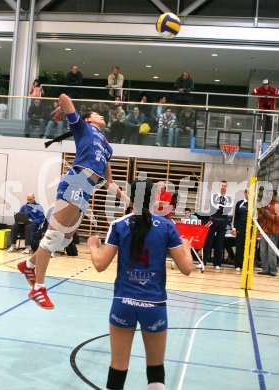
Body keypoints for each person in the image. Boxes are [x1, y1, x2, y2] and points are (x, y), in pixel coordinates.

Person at [17, 93, 130, 309]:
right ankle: (38, 288)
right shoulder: (82, 128)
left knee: (66, 239)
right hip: (76, 181)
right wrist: (61, 111)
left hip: (86, 190)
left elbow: (109, 181)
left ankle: (29, 264)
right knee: (53, 235)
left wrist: (128, 200)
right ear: (88, 120)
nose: (101, 116)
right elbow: (64, 97)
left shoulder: (107, 147)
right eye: (97, 114)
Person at [87, 178, 193, 390]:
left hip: (123, 303)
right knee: (155, 370)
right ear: (154, 198)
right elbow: (187, 269)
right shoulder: (167, 226)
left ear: (131, 197)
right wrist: (187, 247)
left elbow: (100, 265)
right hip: (154, 305)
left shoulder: (118, 225)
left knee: (117, 368)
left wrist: (92, 246)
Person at [199, 180, 234, 270]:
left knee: (219, 243)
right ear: (219, 186)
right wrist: (222, 206)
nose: (223, 187)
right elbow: (214, 206)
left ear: (226, 187)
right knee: (208, 242)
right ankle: (204, 262)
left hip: (223, 221)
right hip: (213, 220)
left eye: (225, 186)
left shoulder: (229, 198)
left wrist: (221, 206)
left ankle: (217, 264)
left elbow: (228, 208)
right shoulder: (214, 195)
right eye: (222, 185)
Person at [257, 190, 279, 276]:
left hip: (273, 231)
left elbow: (277, 218)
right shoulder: (264, 205)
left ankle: (273, 270)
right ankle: (265, 269)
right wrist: (260, 212)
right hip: (264, 231)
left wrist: (268, 215)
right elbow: (260, 217)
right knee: (263, 251)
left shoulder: (277, 205)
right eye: (268, 194)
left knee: (271, 252)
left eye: (271, 194)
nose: (269, 196)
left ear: (274, 195)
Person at [232, 189, 249, 271]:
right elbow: (236, 217)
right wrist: (234, 228)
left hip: (249, 229)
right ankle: (238, 265)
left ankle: (246, 265)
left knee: (248, 247)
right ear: (245, 193)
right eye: (248, 193)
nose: (250, 194)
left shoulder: (253, 204)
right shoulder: (239, 203)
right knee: (239, 247)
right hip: (240, 228)